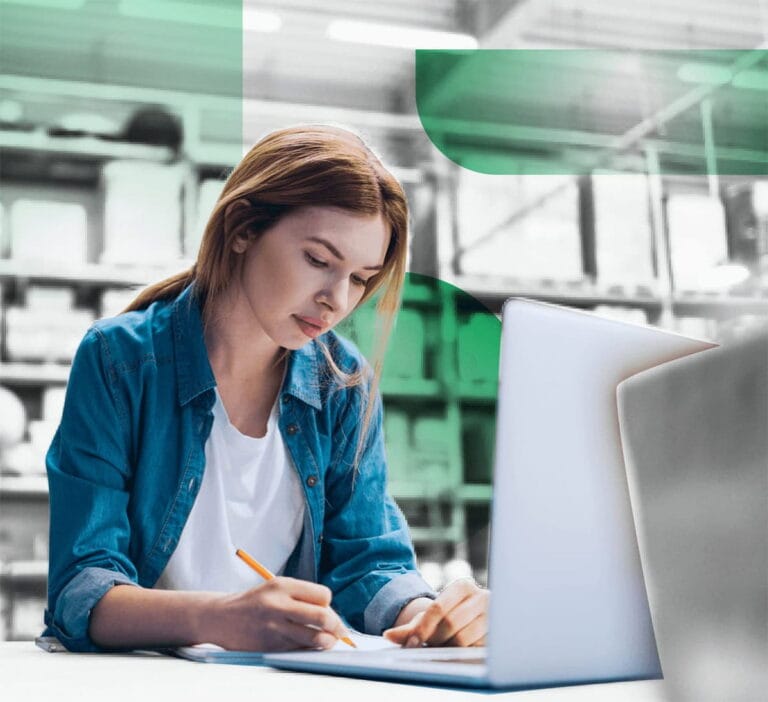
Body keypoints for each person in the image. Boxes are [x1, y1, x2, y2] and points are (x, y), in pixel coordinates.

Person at [43, 125, 488, 653]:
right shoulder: (120, 361)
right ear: (242, 228)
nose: (336, 301)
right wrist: (219, 617)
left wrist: (431, 614)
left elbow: (368, 562)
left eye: (360, 278)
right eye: (319, 261)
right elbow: (81, 587)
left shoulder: (344, 386)